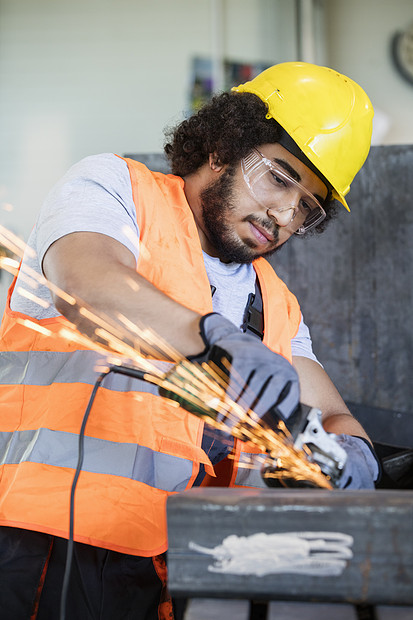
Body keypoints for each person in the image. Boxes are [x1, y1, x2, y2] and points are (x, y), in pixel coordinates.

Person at [0, 62, 380, 619]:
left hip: (172, 572)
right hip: (39, 548)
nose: (283, 213)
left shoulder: (275, 304)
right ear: (224, 147)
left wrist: (354, 456)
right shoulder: (114, 188)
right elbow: (85, 281)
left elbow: (333, 414)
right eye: (279, 177)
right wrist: (211, 338)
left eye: (306, 205)